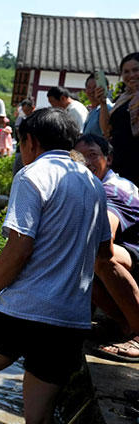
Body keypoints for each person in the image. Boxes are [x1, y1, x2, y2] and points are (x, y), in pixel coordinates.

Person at [0, 108, 111, 424]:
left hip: (26, 311)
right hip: (71, 321)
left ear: (30, 141)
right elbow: (104, 255)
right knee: (39, 422)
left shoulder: (33, 175)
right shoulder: (94, 184)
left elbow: (18, 250)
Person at [74, 134, 139, 361]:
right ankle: (123, 325)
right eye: (80, 158)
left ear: (108, 159)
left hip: (133, 253)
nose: (88, 163)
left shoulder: (114, 189)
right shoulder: (88, 188)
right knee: (78, 255)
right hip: (128, 254)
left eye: (93, 155)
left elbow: (104, 237)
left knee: (98, 256)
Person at [97, 52, 139, 186]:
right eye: (126, 72)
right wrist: (103, 103)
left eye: (136, 70)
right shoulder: (123, 98)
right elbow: (106, 129)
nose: (131, 75)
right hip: (119, 158)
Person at [13, 99, 35, 175]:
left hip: (31, 150)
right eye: (24, 111)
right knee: (17, 170)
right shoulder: (22, 118)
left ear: (33, 108)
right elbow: (17, 130)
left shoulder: (36, 120)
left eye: (27, 110)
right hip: (21, 148)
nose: (26, 113)